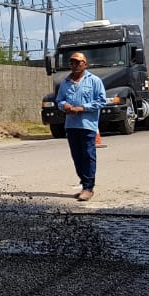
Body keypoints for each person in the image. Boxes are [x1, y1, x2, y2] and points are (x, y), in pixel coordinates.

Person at [55, 52, 108, 202]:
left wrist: (82, 108)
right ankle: (84, 182)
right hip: (71, 125)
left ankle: (88, 187)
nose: (75, 65)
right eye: (72, 63)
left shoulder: (94, 81)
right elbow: (59, 100)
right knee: (77, 156)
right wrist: (63, 105)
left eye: (78, 63)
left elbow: (101, 101)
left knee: (88, 155)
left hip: (87, 125)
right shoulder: (65, 83)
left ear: (85, 64)